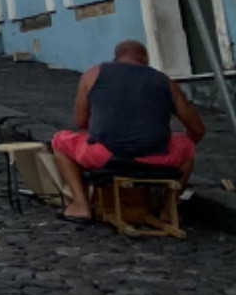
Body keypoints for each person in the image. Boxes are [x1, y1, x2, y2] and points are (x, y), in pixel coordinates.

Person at [50, 40, 206, 222]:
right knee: (186, 146)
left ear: (115, 58)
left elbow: (80, 121)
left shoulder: (93, 74)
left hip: (105, 155)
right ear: (145, 59)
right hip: (156, 157)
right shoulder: (165, 81)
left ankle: (80, 205)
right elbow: (197, 129)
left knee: (60, 140)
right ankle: (168, 208)